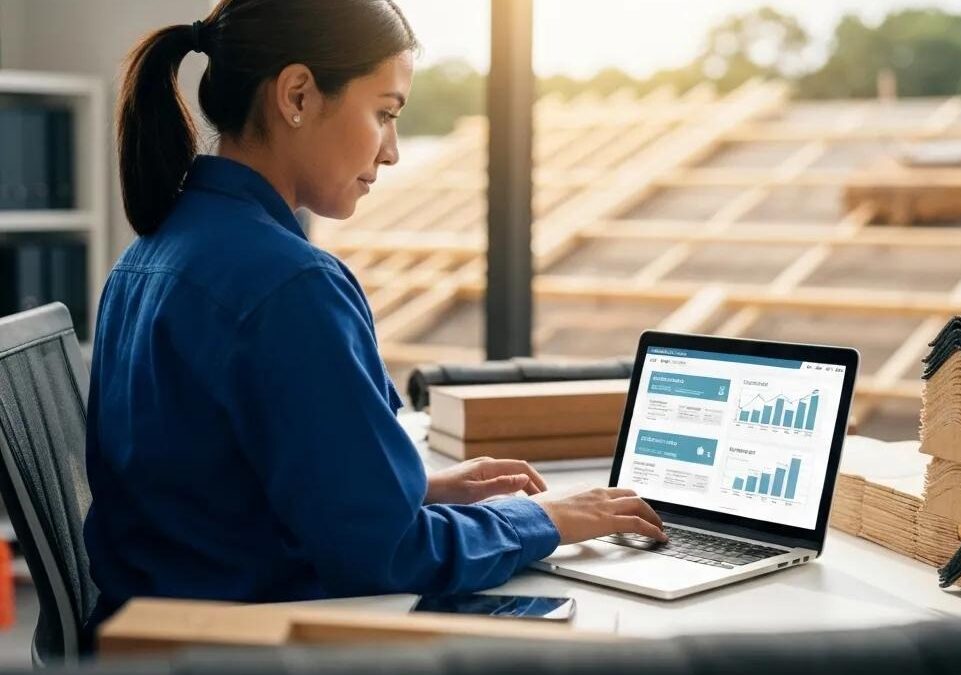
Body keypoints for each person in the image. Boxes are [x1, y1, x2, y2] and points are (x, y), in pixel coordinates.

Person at [83, 0, 666, 640]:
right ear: (298, 95)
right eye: (384, 114)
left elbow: (219, 483)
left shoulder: (150, 254)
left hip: (154, 634)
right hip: (247, 643)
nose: (390, 151)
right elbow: (387, 553)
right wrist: (546, 521)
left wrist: (416, 489)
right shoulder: (288, 284)